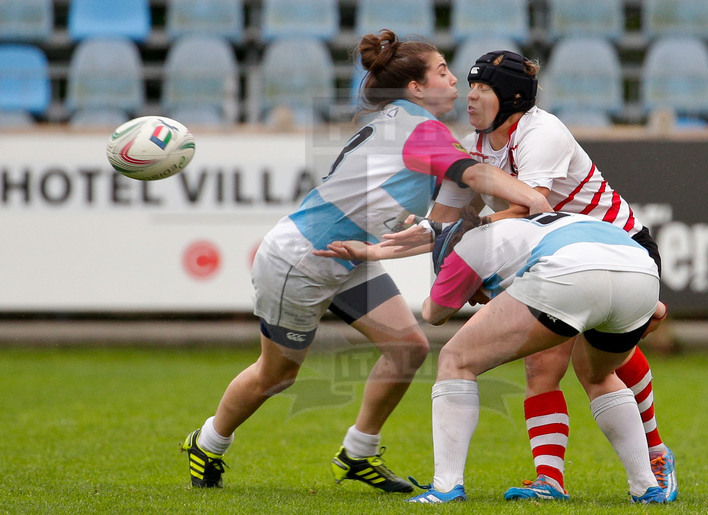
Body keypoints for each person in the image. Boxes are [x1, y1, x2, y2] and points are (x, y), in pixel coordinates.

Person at [179, 30, 550, 493]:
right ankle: (208, 442)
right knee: (277, 375)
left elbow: (443, 219)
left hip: (347, 256)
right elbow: (473, 175)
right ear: (416, 88)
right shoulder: (418, 129)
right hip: (301, 258)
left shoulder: (406, 123)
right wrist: (535, 198)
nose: (455, 80)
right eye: (442, 71)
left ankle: (358, 452)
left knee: (408, 348)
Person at [385, 49, 676, 502]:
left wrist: (468, 244)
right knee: (546, 364)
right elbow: (445, 223)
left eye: (483, 88)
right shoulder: (473, 144)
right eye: (471, 85)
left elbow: (529, 207)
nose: (470, 96)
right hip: (555, 256)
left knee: (589, 364)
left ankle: (655, 453)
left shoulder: (541, 132)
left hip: (621, 246)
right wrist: (392, 243)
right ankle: (550, 480)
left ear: (513, 99)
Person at [406, 208, 667, 504]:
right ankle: (646, 486)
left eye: (469, 296)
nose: (473, 302)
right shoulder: (527, 231)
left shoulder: (463, 249)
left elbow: (435, 314)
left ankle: (445, 486)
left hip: (568, 273)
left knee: (454, 360)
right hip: (642, 273)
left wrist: (444, 285)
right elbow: (657, 311)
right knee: (600, 376)